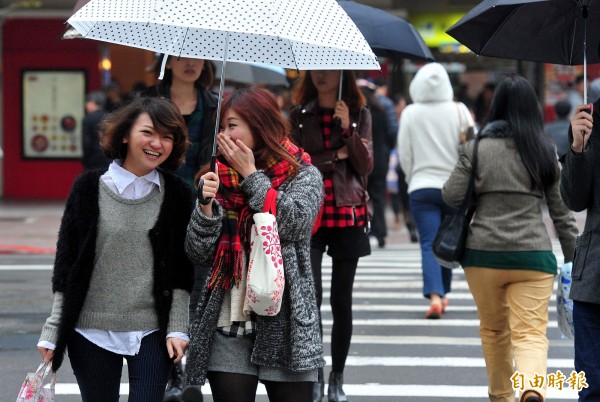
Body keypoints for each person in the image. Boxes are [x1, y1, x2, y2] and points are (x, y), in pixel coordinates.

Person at [37, 97, 195, 402]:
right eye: (148, 132)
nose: (157, 144)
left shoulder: (176, 193)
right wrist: (54, 327)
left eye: (167, 137)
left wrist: (177, 327)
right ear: (125, 134)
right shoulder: (88, 187)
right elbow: (66, 265)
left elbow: (180, 269)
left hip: (152, 329)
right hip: (90, 329)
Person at [184, 87, 325, 402]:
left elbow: (294, 224)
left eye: (232, 125)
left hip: (286, 319)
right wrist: (205, 207)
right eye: (221, 127)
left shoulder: (303, 174)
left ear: (259, 125)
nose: (224, 134)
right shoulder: (215, 176)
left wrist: (251, 176)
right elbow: (198, 252)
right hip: (229, 317)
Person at [443, 76, 578, 402]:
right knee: (531, 333)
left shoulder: (475, 148)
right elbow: (561, 211)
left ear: (495, 106)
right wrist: (574, 256)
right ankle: (532, 389)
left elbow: (451, 196)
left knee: (494, 331)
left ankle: (502, 397)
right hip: (532, 256)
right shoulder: (543, 149)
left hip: (482, 255)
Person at [290, 70, 373, 402]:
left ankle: (337, 377)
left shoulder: (360, 113)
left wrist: (348, 129)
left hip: (347, 212)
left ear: (343, 73)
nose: (322, 75)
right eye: (317, 69)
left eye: (329, 70)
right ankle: (315, 376)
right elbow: (297, 162)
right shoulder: (299, 114)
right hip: (310, 212)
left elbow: (365, 165)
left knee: (342, 301)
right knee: (311, 300)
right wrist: (335, 157)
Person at [145, 54, 217, 402]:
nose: (192, 63)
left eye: (198, 58)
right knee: (163, 290)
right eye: (183, 57)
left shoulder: (215, 106)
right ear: (168, 62)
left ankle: (191, 375)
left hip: (201, 207)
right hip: (158, 204)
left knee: (198, 292)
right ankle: (173, 374)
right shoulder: (149, 103)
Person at [397, 62, 472, 319]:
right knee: (448, 240)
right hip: (454, 187)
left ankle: (436, 296)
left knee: (429, 242)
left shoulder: (410, 112)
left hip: (421, 187)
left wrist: (411, 177)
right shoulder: (460, 110)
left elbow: (404, 153)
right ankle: (445, 293)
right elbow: (471, 149)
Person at [560, 99, 600, 401]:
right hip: (595, 280)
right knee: (592, 386)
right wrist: (578, 148)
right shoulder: (590, 121)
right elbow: (574, 199)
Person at [358, 79, 394, 248]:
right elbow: (391, 135)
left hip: (362, 159)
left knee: (362, 196)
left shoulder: (357, 112)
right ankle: (380, 233)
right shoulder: (381, 111)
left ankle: (365, 229)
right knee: (378, 197)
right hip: (380, 158)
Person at [81, 90, 110, 171]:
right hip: (108, 159)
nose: (86, 106)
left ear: (92, 103)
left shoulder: (88, 119)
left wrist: (85, 161)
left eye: (87, 103)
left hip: (93, 160)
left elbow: (86, 143)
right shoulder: (110, 117)